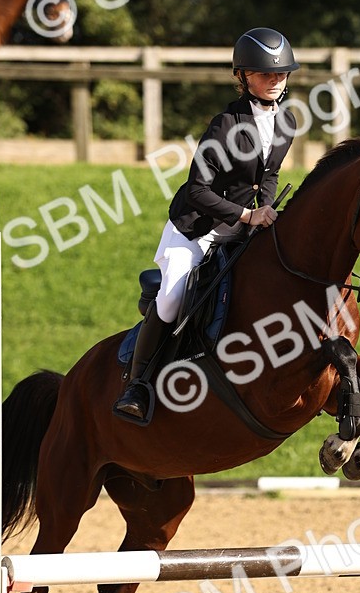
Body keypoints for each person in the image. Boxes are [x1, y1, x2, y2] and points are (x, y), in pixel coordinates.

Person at [114, 26, 299, 422]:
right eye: (265, 74)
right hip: (194, 229)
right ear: (243, 77)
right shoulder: (225, 125)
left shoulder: (287, 123)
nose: (274, 80)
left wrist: (266, 210)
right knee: (171, 298)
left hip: (240, 230)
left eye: (281, 74)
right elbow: (197, 190)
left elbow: (269, 175)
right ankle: (138, 384)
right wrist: (247, 215)